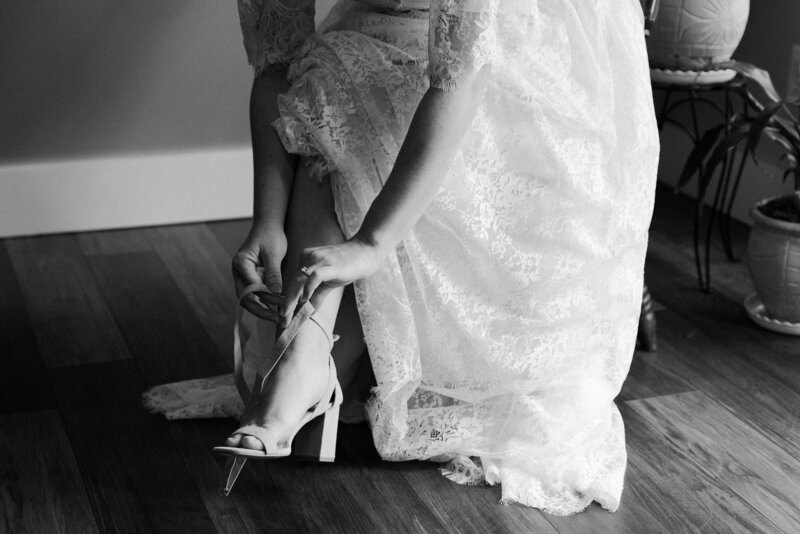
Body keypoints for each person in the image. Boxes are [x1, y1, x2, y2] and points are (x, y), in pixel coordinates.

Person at [144, 0, 659, 514]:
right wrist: (267, 221)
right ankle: (305, 359)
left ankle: (302, 364)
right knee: (333, 73)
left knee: (354, 88)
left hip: (521, 46)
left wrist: (371, 244)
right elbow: (276, 64)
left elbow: (460, 76)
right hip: (383, 29)